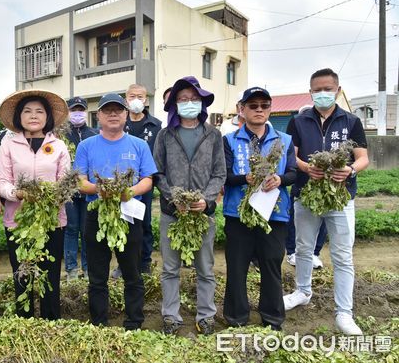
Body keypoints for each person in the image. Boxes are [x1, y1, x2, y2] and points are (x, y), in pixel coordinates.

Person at [283, 68, 369, 335]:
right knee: (303, 247)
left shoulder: (351, 121)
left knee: (342, 255)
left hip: (340, 198)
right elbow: (291, 157)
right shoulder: (298, 122)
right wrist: (307, 168)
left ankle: (344, 313)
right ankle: (302, 291)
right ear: (310, 92)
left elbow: (363, 157)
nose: (322, 94)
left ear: (338, 90)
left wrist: (350, 170)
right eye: (317, 90)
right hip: (306, 194)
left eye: (327, 89)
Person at [74, 93, 157, 330]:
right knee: (97, 276)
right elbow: (80, 181)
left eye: (118, 110)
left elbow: (147, 180)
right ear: (98, 115)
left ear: (125, 114)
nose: (113, 114)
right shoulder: (86, 145)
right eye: (107, 110)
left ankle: (134, 322)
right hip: (96, 214)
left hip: (129, 214)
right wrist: (103, 189)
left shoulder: (138, 145)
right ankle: (99, 322)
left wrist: (127, 192)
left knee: (132, 273)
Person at [153, 76, 226, 335]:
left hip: (202, 214)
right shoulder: (164, 136)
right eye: (183, 99)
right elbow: (157, 173)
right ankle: (171, 315)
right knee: (170, 268)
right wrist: (175, 198)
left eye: (194, 99)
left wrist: (205, 200)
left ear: (202, 103)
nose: (189, 103)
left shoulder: (213, 135)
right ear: (175, 104)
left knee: (205, 268)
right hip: (172, 213)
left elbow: (219, 173)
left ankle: (206, 314)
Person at [222, 86, 297, 331]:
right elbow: (224, 176)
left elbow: (294, 173)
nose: (259, 110)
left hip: (274, 214)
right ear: (242, 110)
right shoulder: (230, 140)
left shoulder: (284, 140)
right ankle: (236, 318)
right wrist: (246, 179)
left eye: (264, 105)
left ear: (270, 109)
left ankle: (273, 318)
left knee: (271, 266)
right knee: (237, 266)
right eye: (253, 106)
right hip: (238, 213)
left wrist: (280, 179)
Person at [0, 89, 70, 319]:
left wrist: (52, 196)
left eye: (39, 111)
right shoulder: (8, 146)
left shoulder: (58, 146)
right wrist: (17, 194)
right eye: (27, 111)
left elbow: (65, 182)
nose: (34, 115)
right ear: (19, 117)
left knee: (50, 275)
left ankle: (51, 321)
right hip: (18, 222)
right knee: (22, 274)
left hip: (52, 221)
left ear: (47, 116)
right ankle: (24, 322)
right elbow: (3, 182)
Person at [111, 84, 161, 277]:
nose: (136, 100)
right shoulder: (120, 124)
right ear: (126, 99)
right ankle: (123, 264)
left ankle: (145, 262)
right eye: (132, 96)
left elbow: (158, 154)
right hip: (119, 184)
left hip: (145, 182)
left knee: (145, 223)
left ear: (146, 100)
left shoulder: (156, 125)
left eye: (140, 96)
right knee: (123, 221)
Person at [285, 104, 327, 269]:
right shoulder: (296, 127)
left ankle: (315, 253)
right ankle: (292, 252)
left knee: (323, 220)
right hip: (301, 184)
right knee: (295, 220)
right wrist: (307, 168)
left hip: (324, 187)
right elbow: (290, 157)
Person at [63, 96, 98, 282]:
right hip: (68, 192)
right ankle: (71, 269)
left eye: (80, 109)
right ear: (68, 112)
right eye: (73, 109)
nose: (77, 113)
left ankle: (87, 266)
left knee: (87, 230)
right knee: (71, 229)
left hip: (88, 190)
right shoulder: (61, 135)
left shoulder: (93, 133)